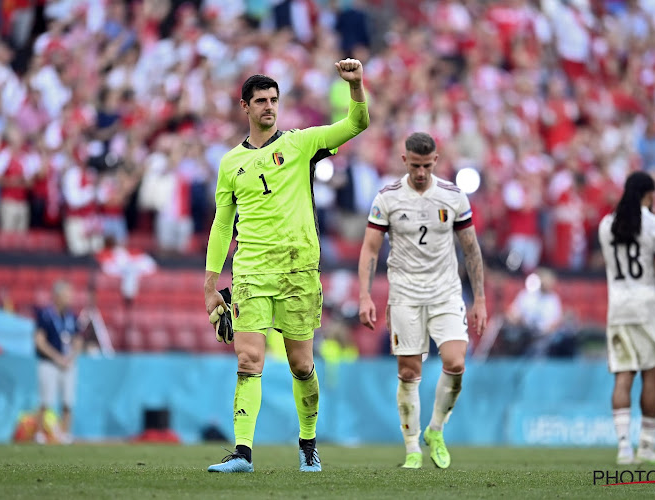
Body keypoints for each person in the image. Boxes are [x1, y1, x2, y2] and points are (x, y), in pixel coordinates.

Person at [204, 58, 369, 473]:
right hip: (251, 272)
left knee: (302, 364)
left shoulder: (300, 144)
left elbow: (356, 124)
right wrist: (210, 283)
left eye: (274, 100)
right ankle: (242, 452)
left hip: (298, 270)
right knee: (248, 360)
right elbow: (222, 225)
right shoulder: (229, 164)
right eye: (260, 101)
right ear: (245, 107)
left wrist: (356, 86)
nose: (269, 107)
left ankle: (308, 444)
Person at [357, 132, 487, 469]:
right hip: (405, 293)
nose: (420, 172)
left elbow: (471, 249)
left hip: (445, 291)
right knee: (409, 371)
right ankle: (413, 449)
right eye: (415, 165)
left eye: (427, 166)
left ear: (436, 161)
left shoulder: (454, 197)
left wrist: (481, 299)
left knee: (456, 362)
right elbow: (370, 248)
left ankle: (436, 430)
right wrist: (364, 294)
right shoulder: (387, 198)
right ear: (404, 161)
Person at [598, 171, 655, 465]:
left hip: (619, 306)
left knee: (623, 376)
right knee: (651, 377)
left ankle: (623, 448)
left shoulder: (607, 225)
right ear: (649, 194)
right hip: (649, 307)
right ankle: (646, 447)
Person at [34, 280, 83, 444]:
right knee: (46, 400)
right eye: (67, 294)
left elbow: (77, 339)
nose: (70, 297)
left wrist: (71, 356)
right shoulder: (45, 315)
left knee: (68, 400)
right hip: (49, 362)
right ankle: (39, 433)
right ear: (57, 296)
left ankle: (65, 433)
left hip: (67, 362)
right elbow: (39, 341)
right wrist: (56, 357)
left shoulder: (72, 316)